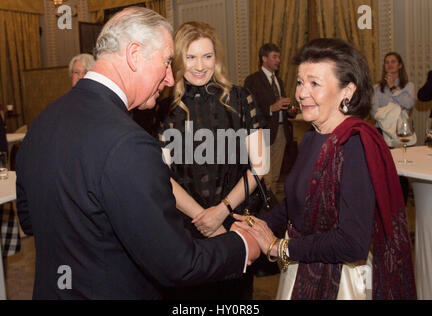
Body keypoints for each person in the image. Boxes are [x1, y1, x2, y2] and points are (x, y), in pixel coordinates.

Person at [16, 7, 259, 300]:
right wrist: (242, 244)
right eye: (167, 62)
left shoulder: (44, 121)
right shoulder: (129, 142)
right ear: (134, 55)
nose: (170, 78)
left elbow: (31, 222)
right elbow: (177, 264)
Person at [234, 38, 416, 300]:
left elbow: (352, 244)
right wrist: (258, 225)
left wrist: (280, 247)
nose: (301, 93)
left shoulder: (354, 144)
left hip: (338, 283)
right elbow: (294, 205)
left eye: (314, 83)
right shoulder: (312, 136)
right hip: (302, 268)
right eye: (299, 82)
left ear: (348, 91)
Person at [157, 21, 267, 299]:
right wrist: (202, 217)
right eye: (191, 57)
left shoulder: (241, 98)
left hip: (236, 219)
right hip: (185, 228)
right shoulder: (163, 109)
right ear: (178, 59)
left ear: (216, 58)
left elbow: (261, 167)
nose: (200, 65)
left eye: (207, 56)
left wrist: (221, 211)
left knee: (236, 296)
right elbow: (161, 176)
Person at [244, 43, 297, 193]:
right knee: (264, 175)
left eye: (279, 57)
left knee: (275, 176)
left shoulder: (278, 81)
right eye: (275, 57)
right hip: (263, 131)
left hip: (281, 131)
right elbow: (249, 109)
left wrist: (290, 110)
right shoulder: (252, 80)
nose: (278, 60)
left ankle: (271, 205)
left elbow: (280, 106)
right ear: (264, 58)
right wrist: (271, 108)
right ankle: (264, 207)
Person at [371, 52, 415, 204]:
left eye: (393, 62)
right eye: (386, 62)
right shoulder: (377, 88)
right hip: (380, 132)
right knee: (382, 171)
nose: (389, 64)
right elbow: (374, 112)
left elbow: (408, 104)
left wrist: (393, 88)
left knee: (400, 172)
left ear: (400, 65)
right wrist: (395, 107)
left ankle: (400, 204)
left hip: (400, 132)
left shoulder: (408, 86)